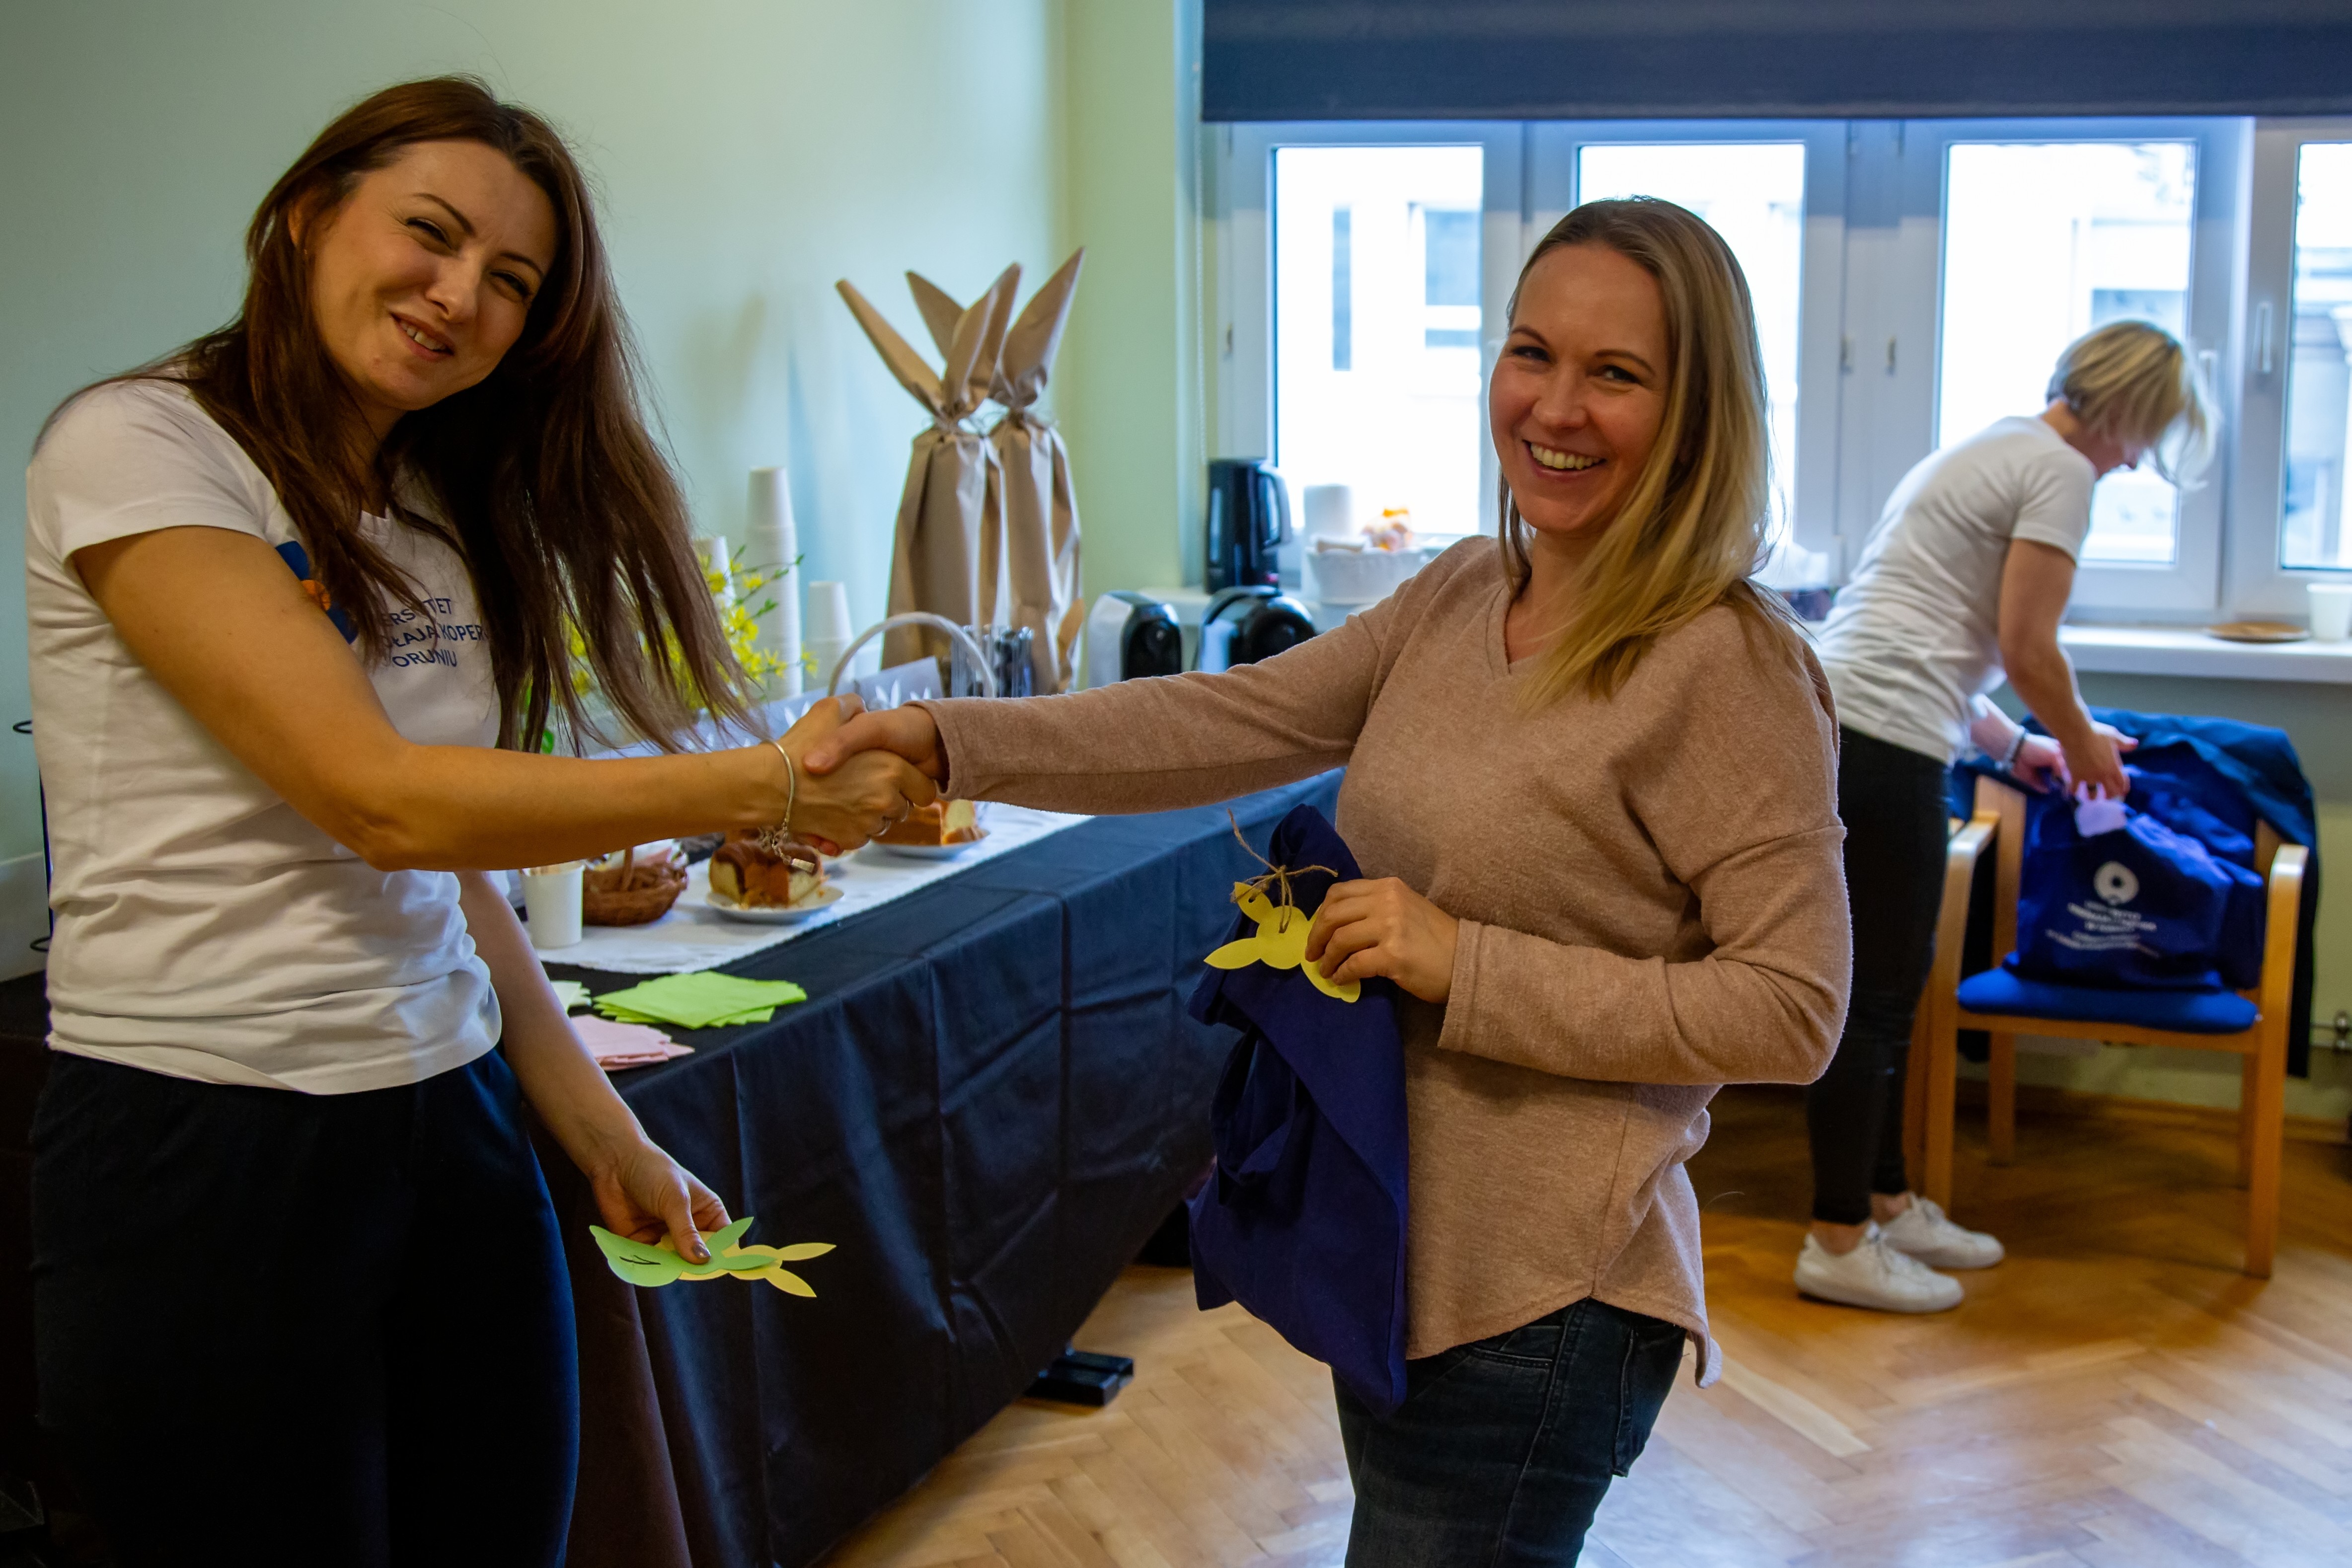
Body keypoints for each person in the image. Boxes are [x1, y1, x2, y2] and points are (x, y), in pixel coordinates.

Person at [805, 198, 1850, 1566]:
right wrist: (946, 739)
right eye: (1532, 352)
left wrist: (1462, 961)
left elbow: (1791, 1008)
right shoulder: (1463, 592)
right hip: (1402, 1253)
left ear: (1700, 411)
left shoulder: (1730, 667)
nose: (1555, 406)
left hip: (1545, 1303)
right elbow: (1222, 719)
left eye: (1617, 373)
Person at [22, 77, 932, 1566]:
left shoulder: (436, 502)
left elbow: (447, 869)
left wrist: (601, 1128)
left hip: (448, 1114)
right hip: (206, 1137)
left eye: (512, 279)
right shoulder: (142, 445)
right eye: (431, 234)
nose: (461, 296)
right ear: (308, 216)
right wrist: (759, 781)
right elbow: (378, 799)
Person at [1796, 320, 2213, 1313]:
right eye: (2143, 434)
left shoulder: (1993, 446)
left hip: (1859, 726)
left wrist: (2019, 745)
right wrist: (2082, 742)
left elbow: (1938, 639)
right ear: (2124, 407)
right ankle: (1837, 1239)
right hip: (1882, 741)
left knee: (1891, 991)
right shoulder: (2059, 472)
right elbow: (2029, 648)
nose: (2133, 461)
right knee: (1872, 1000)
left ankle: (1887, 1204)